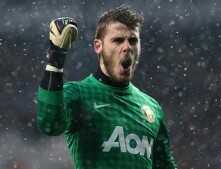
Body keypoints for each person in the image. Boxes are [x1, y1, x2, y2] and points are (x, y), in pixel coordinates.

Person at [36, 5, 177, 169]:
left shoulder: (152, 107)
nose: (127, 47)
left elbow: (165, 166)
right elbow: (49, 125)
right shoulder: (79, 94)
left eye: (133, 40)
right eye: (118, 40)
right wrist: (55, 59)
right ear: (98, 46)